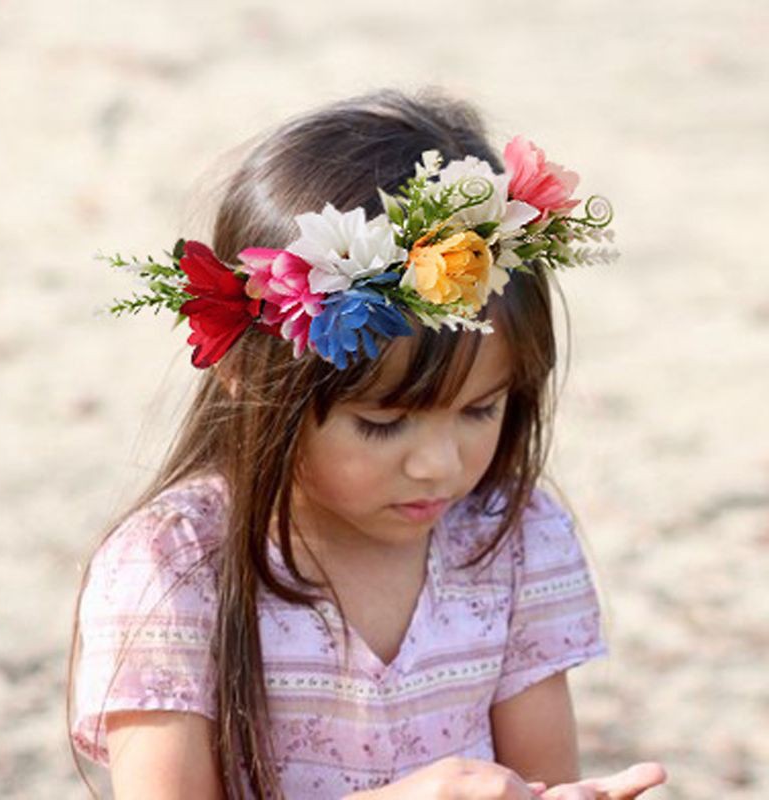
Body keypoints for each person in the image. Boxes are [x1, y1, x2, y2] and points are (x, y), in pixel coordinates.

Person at [67, 88, 667, 799]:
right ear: (247, 377)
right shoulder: (175, 566)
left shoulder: (510, 539)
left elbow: (538, 776)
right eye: (383, 423)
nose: (439, 466)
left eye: (481, 410)